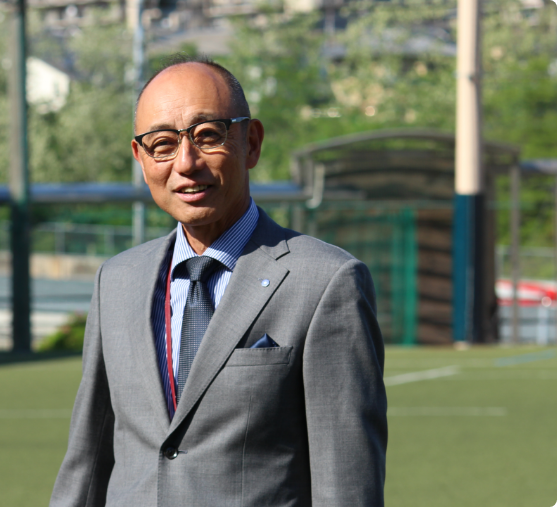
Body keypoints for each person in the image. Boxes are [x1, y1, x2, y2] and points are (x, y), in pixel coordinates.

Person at [50, 55, 387, 507]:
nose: (186, 163)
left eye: (208, 136)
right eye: (162, 144)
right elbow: (87, 461)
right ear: (141, 159)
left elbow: (347, 482)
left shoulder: (326, 281)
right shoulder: (116, 281)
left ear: (252, 143)